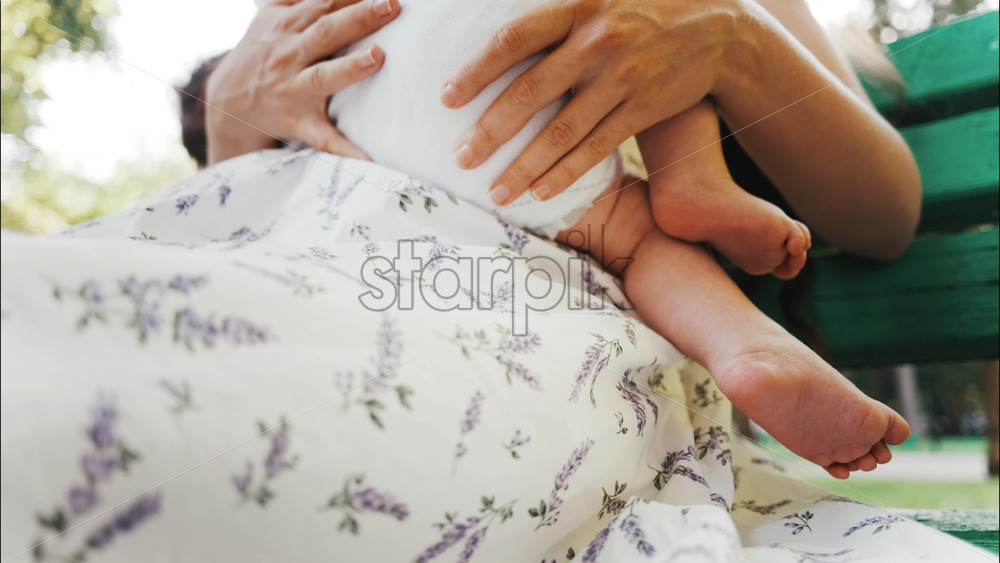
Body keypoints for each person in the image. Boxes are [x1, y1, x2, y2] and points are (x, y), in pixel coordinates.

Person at [202, 0, 919, 479]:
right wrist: (229, 113)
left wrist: (732, 35)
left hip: (390, 196)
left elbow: (249, 212)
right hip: (509, 220)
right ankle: (732, 305)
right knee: (629, 234)